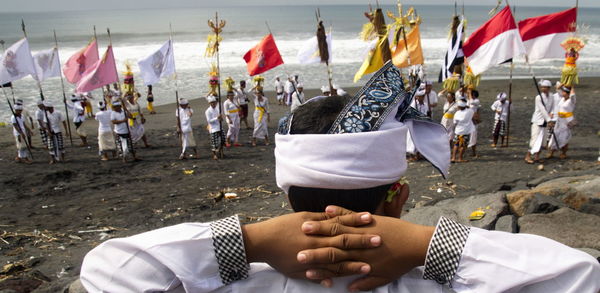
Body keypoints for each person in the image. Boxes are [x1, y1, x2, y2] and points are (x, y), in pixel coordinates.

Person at [81, 63, 600, 293]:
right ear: (400, 196)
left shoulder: (233, 282)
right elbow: (581, 277)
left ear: (286, 195)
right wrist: (429, 247)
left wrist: (251, 240)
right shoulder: (451, 283)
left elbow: (108, 271)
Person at [525, 80, 555, 164]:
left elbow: (553, 106)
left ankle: (537, 157)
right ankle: (528, 156)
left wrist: (552, 114)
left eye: (545, 87)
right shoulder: (538, 97)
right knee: (534, 140)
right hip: (537, 121)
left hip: (546, 121)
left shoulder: (552, 96)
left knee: (543, 141)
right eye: (542, 87)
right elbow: (542, 110)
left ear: (549, 88)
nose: (543, 89)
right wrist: (549, 120)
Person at [548, 85, 576, 159]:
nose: (562, 93)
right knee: (555, 135)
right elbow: (557, 88)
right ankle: (551, 152)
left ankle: (563, 153)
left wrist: (571, 85)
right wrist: (564, 83)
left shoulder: (571, 100)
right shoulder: (562, 99)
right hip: (559, 119)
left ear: (568, 93)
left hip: (567, 120)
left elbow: (573, 94)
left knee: (564, 136)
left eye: (564, 92)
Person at [205, 95, 225, 160]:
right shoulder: (208, 111)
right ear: (210, 103)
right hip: (213, 128)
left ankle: (220, 150)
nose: (214, 104)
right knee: (214, 142)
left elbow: (220, 117)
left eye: (214, 102)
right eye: (212, 103)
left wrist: (221, 118)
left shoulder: (217, 109)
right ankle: (214, 154)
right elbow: (209, 121)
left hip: (219, 126)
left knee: (223, 140)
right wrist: (217, 118)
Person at [467, 90, 481, 158]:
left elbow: (471, 102)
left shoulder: (477, 101)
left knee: (473, 135)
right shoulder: (469, 100)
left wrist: (469, 93)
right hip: (468, 119)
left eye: (471, 94)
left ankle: (474, 152)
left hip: (474, 119)